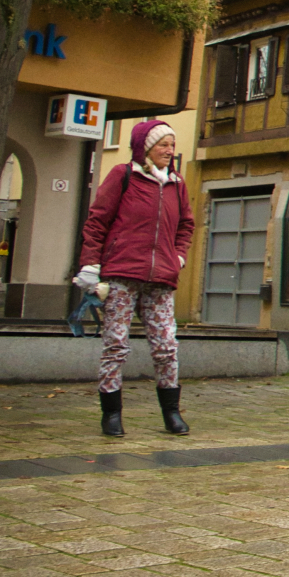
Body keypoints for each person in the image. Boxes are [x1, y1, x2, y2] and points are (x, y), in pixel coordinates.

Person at [76, 119, 195, 437]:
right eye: (163, 145)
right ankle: (111, 415)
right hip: (121, 274)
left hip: (161, 278)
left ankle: (172, 413)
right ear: (146, 148)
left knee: (166, 347)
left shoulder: (177, 183)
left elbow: (186, 225)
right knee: (116, 346)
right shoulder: (123, 175)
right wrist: (90, 264)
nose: (169, 150)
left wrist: (177, 257)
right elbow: (97, 221)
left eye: (172, 144)